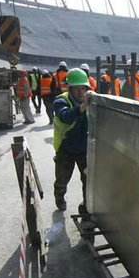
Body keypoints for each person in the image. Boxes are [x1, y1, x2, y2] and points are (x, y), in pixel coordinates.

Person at [53, 68, 93, 214]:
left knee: (88, 181)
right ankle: (60, 197)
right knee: (62, 180)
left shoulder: (90, 101)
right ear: (69, 88)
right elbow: (65, 116)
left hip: (84, 149)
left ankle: (87, 206)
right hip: (66, 148)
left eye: (83, 88)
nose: (81, 92)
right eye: (76, 89)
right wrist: (82, 107)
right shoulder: (61, 101)